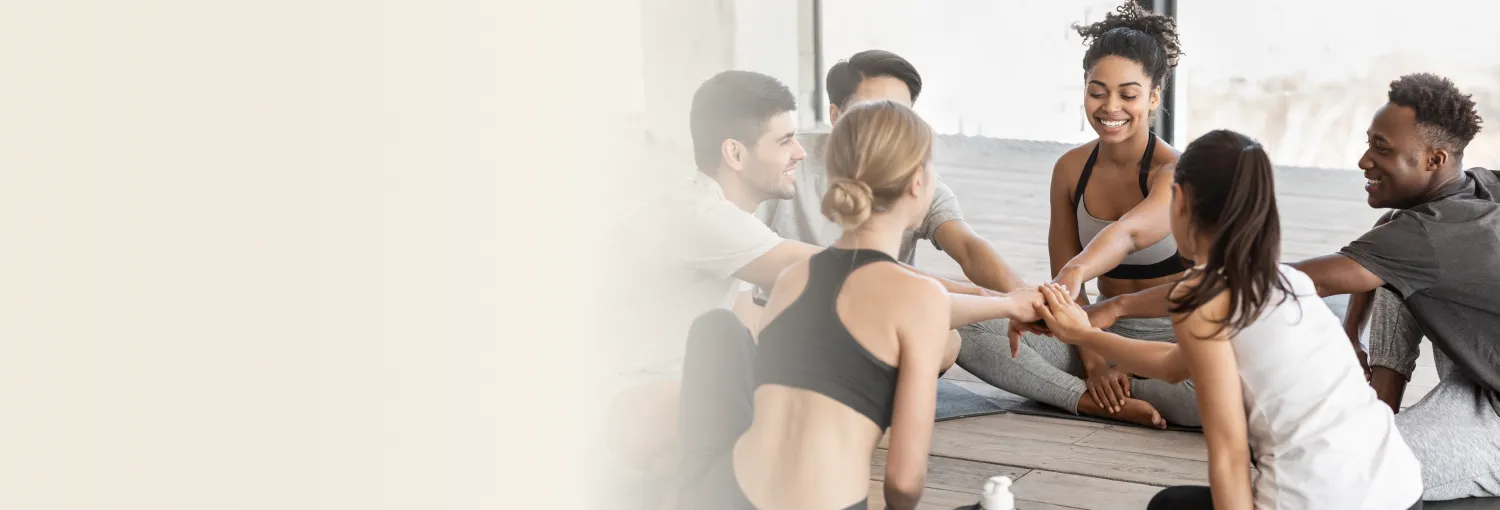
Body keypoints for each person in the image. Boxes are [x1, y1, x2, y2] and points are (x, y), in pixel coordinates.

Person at [1092, 73, 1500, 502]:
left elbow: (1260, 283)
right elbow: (1384, 257)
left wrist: (1117, 307)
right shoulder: (1476, 187)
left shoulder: (1428, 236)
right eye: (1369, 142)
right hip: (1479, 370)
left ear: (1436, 159)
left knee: (1364, 468)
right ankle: (1380, 408)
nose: (1364, 160)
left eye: (1382, 149)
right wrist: (1350, 334)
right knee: (1393, 269)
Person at [676, 101, 1044, 510]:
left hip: (727, 493)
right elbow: (903, 486)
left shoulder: (793, 279)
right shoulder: (918, 299)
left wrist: (1009, 304)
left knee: (717, 329)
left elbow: (872, 307)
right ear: (918, 183)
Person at [1031, 129, 1423, 509]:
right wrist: (1101, 321)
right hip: (1402, 491)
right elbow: (1172, 366)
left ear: (1179, 200)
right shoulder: (1287, 280)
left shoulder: (1202, 302)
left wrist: (1083, 334)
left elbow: (1229, 455)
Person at [956, 1, 1198, 428]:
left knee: (1215, 391)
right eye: (1097, 90)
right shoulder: (1070, 170)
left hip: (1179, 342)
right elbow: (1074, 299)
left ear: (1154, 96)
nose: (1110, 107)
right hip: (1099, 331)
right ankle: (1093, 398)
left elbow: (1129, 234)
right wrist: (1095, 362)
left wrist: (1074, 271)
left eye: (1129, 94)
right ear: (1084, 88)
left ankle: (1133, 388)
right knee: (968, 331)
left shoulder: (1175, 171)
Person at [600, 70, 824, 507]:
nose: (800, 153)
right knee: (783, 408)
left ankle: (686, 472)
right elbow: (844, 271)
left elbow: (745, 323)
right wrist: (991, 299)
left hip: (673, 390)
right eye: (785, 141)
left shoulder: (726, 215)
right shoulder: (704, 219)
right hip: (620, 403)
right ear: (735, 153)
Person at [752, 49, 1027, 371]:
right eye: (869, 112)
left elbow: (968, 247)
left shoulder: (917, 175)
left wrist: (1025, 300)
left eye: (899, 114)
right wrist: (1000, 301)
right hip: (792, 324)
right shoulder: (787, 162)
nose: (884, 127)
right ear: (836, 114)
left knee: (948, 338)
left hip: (874, 318)